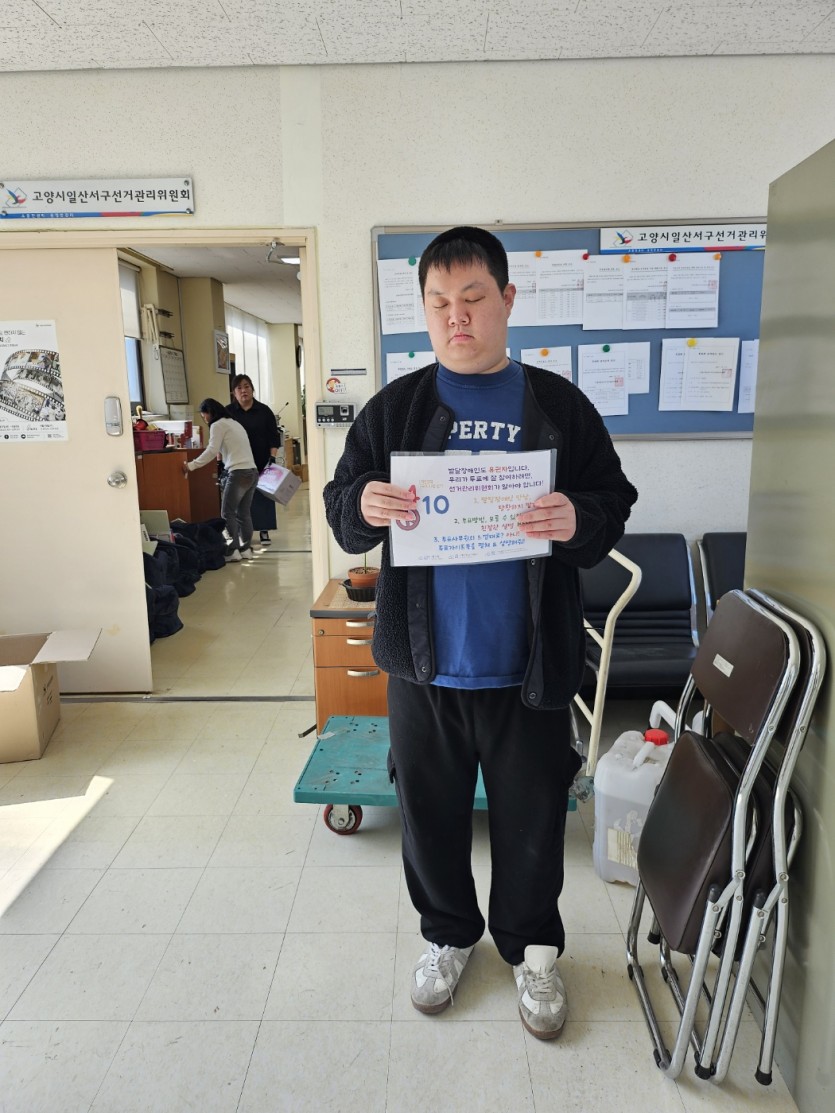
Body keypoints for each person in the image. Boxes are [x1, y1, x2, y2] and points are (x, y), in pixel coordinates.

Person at [324, 226, 638, 1039]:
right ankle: (447, 936)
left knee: (532, 822)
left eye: (471, 298)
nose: (455, 317)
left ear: (506, 300)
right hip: (424, 669)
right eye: (438, 303)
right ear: (423, 311)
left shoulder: (557, 406)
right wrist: (361, 503)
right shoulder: (395, 409)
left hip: (527, 667)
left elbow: (612, 502)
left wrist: (577, 518)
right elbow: (340, 506)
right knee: (428, 820)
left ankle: (533, 951)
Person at [183, 397, 258, 562]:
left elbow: (211, 450)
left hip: (239, 472)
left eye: (204, 415)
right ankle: (245, 550)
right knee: (243, 513)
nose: (205, 419)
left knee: (227, 513)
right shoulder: (234, 423)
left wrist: (191, 465)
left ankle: (232, 551)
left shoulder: (217, 425)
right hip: (252, 471)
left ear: (210, 412)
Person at [228, 373, 282, 547]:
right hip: (237, 462)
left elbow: (274, 437)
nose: (243, 391)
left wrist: (272, 458)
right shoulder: (228, 412)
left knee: (263, 497)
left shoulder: (264, 411)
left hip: (261, 460)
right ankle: (242, 533)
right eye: (239, 388)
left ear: (252, 389)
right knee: (240, 498)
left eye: (247, 387)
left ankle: (264, 529)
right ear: (234, 392)